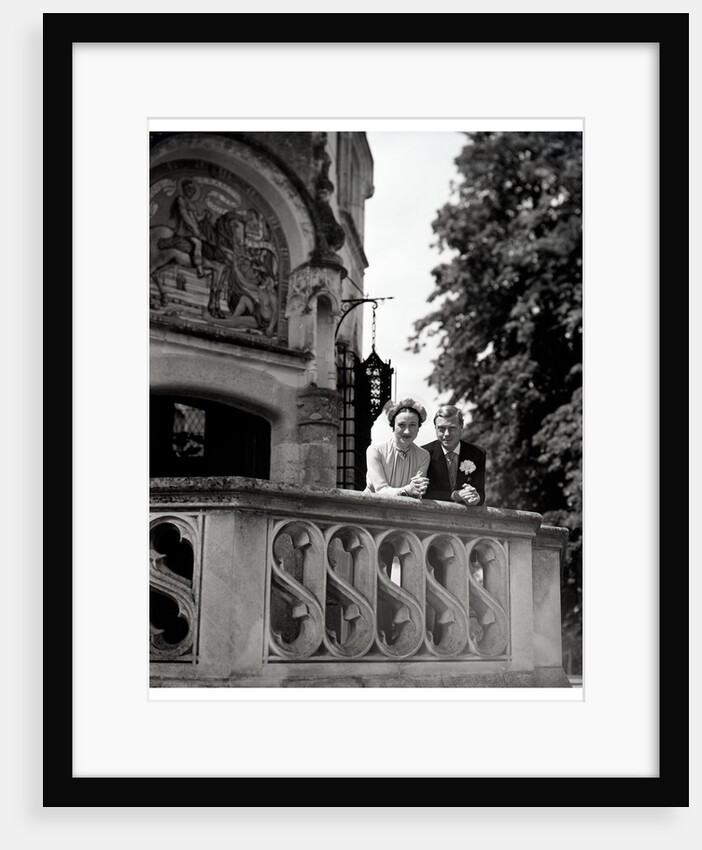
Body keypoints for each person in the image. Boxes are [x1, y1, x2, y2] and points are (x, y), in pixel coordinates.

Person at [364, 397, 430, 498]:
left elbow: (417, 490)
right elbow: (380, 490)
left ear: (418, 428)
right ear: (393, 426)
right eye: (401, 425)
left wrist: (418, 489)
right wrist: (408, 490)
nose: (407, 431)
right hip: (372, 506)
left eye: (412, 425)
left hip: (404, 509)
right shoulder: (375, 450)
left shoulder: (423, 455)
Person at [422, 404, 486, 506]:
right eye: (441, 429)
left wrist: (475, 497)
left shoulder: (477, 453)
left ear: (461, 427)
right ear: (435, 428)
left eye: (452, 428)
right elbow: (425, 494)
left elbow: (480, 493)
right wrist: (455, 495)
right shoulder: (424, 453)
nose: (446, 434)